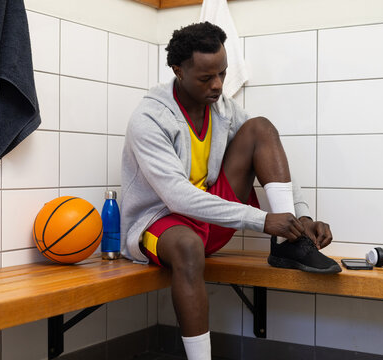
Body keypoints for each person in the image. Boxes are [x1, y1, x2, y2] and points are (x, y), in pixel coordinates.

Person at [120, 22, 336, 360]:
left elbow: (267, 149)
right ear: (178, 70)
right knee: (189, 247)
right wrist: (262, 219)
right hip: (162, 224)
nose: (218, 85)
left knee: (261, 128)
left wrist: (300, 216)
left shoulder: (223, 108)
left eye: (222, 73)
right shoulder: (149, 119)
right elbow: (176, 197)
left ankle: (292, 244)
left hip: (209, 217)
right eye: (206, 78)